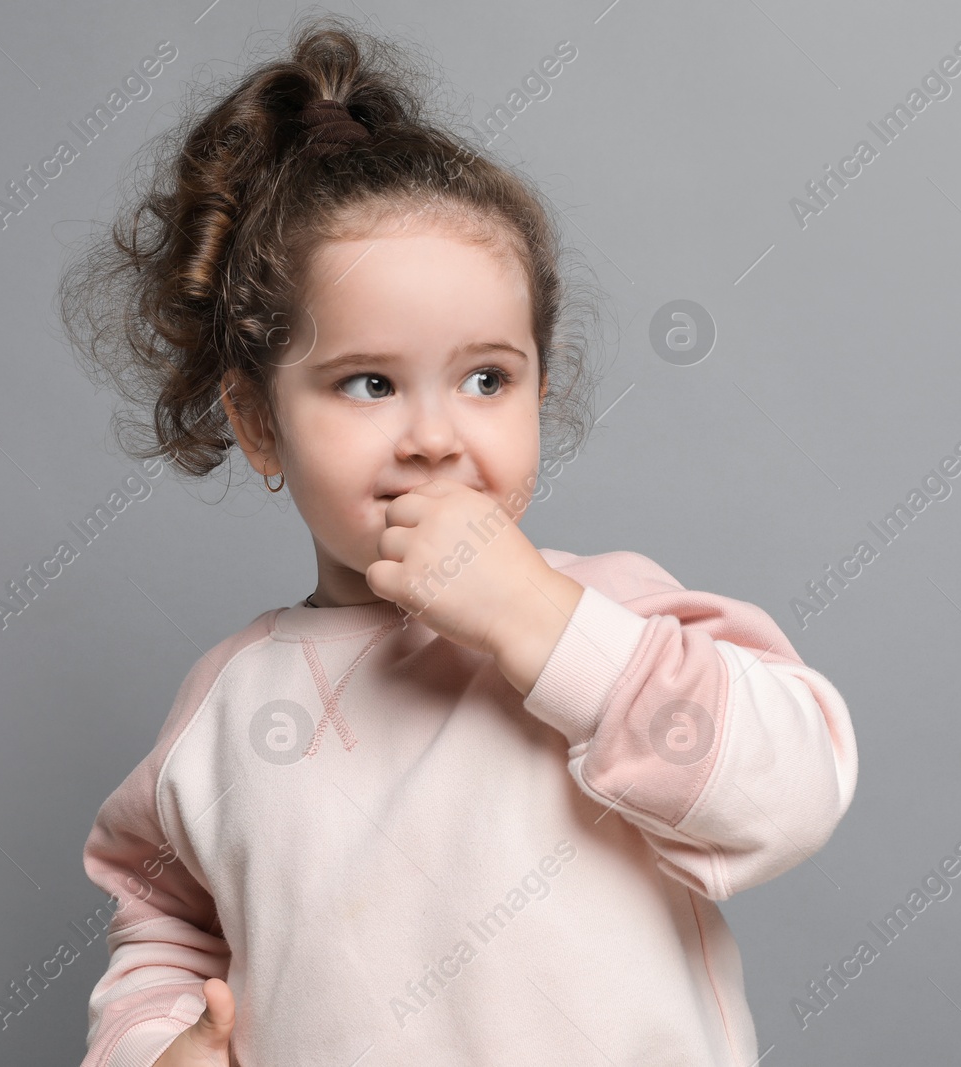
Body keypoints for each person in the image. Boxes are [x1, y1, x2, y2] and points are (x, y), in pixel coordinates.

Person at [59, 13, 859, 1066]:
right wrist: (157, 1042)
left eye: (487, 378)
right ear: (259, 422)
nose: (435, 436)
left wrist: (539, 619)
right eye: (369, 383)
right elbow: (165, 918)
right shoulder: (229, 706)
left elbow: (790, 785)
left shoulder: (607, 620)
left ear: (539, 383)